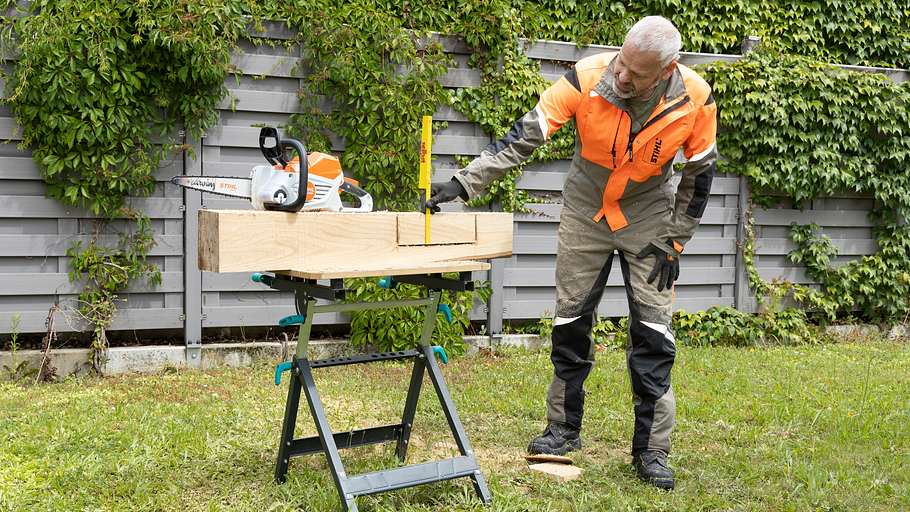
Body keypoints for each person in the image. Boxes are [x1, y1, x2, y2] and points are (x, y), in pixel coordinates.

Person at [426, 16, 717, 490]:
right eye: (621, 63)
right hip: (586, 212)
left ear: (668, 70)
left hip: (649, 219)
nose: (621, 77)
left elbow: (700, 172)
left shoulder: (697, 98)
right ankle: (562, 429)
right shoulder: (585, 77)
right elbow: (522, 138)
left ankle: (652, 451)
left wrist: (676, 238)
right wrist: (463, 183)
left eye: (636, 74)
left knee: (654, 335)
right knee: (570, 322)